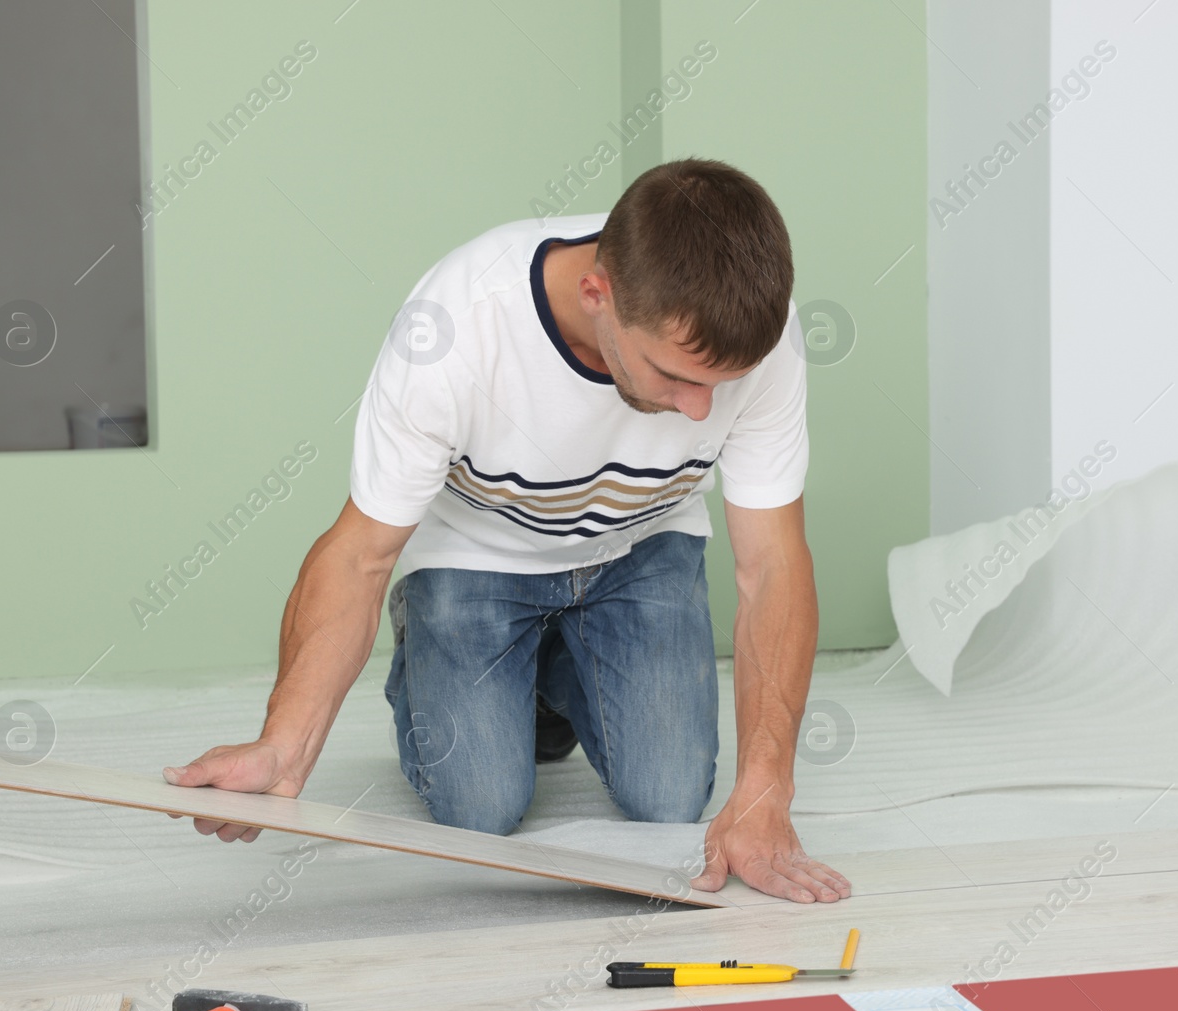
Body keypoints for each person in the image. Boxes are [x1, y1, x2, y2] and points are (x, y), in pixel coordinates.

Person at [165, 158, 850, 904]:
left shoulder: (763, 337)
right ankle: (445, 656)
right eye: (673, 375)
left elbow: (773, 566)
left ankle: (551, 677)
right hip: (476, 554)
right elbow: (359, 555)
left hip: (640, 548)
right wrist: (283, 746)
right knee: (478, 810)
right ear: (599, 294)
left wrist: (763, 792)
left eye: (717, 387)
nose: (698, 412)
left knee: (670, 798)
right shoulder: (456, 329)